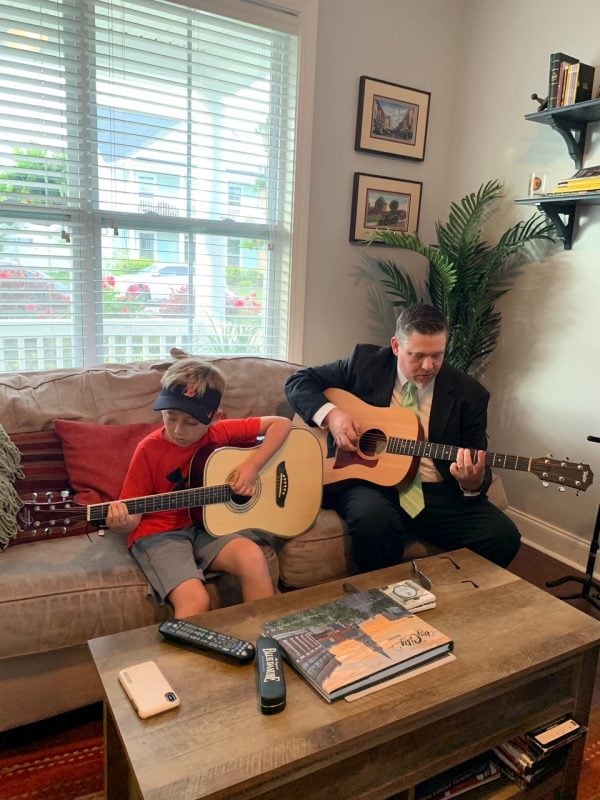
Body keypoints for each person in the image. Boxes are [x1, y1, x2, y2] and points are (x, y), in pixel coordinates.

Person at [284, 303, 520, 571]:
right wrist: (333, 417)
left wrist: (473, 481)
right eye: (417, 355)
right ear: (396, 346)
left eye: (437, 355)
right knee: (373, 520)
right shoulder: (365, 362)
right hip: (370, 484)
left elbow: (477, 462)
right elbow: (298, 382)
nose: (429, 365)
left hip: (434, 490)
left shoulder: (470, 394)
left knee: (503, 535)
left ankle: (447, 597)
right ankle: (383, 601)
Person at [106, 357, 292, 617]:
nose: (178, 430)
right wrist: (121, 522)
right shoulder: (148, 449)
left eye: (191, 423)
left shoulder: (219, 432)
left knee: (253, 558)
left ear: (216, 418)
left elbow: (282, 424)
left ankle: (262, 643)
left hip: (208, 524)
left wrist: (252, 467)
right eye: (170, 418)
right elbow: (132, 517)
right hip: (160, 532)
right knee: (195, 602)